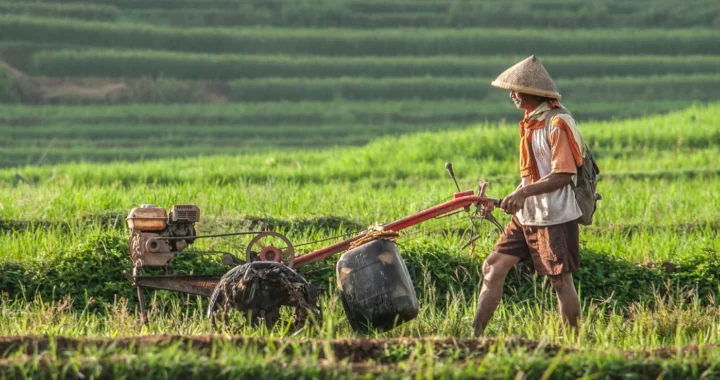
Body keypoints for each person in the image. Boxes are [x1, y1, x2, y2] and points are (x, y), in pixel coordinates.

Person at [473, 55, 586, 336]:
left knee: (561, 281)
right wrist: (513, 196)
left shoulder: (557, 123)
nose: (512, 95)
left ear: (534, 93)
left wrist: (524, 193)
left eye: (516, 90)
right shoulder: (530, 123)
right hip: (528, 216)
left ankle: (573, 345)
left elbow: (563, 174)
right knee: (493, 266)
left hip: (555, 215)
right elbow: (532, 176)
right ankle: (473, 336)